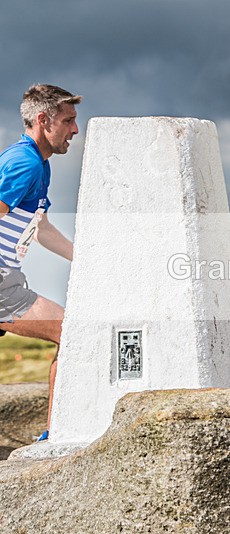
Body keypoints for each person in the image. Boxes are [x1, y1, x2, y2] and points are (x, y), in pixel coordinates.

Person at [0, 84, 80, 441]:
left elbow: (41, 228)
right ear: (43, 120)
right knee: (75, 333)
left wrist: (85, 260)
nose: (75, 130)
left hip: (10, 279)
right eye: (69, 120)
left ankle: (55, 432)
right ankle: (56, 435)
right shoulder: (25, 163)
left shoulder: (39, 165)